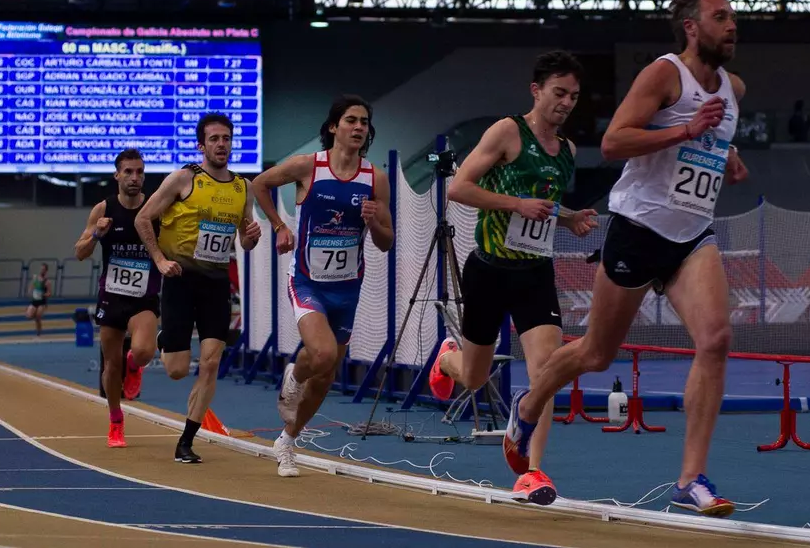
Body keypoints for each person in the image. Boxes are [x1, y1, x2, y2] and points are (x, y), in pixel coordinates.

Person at [503, 0, 750, 517]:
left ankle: (691, 479)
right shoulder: (665, 73)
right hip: (638, 229)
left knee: (716, 339)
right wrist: (685, 132)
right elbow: (614, 142)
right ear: (692, 27)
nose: (732, 25)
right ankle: (529, 401)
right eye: (720, 17)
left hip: (692, 233)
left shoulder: (734, 88)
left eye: (732, 15)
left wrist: (727, 156)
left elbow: (713, 137)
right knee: (596, 354)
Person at [426, 51, 598, 505]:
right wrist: (515, 205)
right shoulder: (507, 131)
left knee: (547, 370)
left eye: (574, 96)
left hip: (534, 272)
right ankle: (448, 360)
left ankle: (533, 472)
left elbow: (543, 204)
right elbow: (459, 188)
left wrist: (570, 218)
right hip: (489, 269)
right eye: (559, 92)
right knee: (474, 377)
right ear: (536, 90)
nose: (566, 103)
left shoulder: (568, 152)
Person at [252, 95, 394, 478]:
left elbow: (387, 242)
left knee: (327, 374)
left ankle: (287, 440)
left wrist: (374, 221)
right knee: (323, 352)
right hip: (307, 282)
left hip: (347, 289)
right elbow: (259, 184)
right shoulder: (308, 167)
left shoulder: (375, 179)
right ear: (334, 127)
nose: (359, 127)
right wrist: (280, 227)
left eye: (364, 122)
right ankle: (294, 376)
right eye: (351, 120)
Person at [135, 113, 262, 464]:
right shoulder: (183, 179)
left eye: (226, 138)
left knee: (211, 362)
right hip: (180, 280)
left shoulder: (243, 188)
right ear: (201, 145)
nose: (221, 144)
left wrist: (251, 237)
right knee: (177, 370)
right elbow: (143, 218)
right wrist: (159, 260)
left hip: (216, 284)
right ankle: (165, 338)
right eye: (214, 139)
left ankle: (186, 441)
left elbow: (245, 240)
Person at [74, 148, 161, 448]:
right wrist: (97, 235)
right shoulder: (103, 209)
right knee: (110, 367)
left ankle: (134, 365)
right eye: (128, 172)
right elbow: (80, 252)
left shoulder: (155, 207)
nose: (135, 177)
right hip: (112, 296)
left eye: (140, 172)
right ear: (117, 175)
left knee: (144, 351)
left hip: (143, 296)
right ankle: (115, 420)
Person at [25, 263, 51, 335]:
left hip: (42, 302)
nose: (42, 271)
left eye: (43, 269)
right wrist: (30, 291)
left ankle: (38, 333)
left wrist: (43, 294)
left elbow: (49, 293)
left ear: (46, 271)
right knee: (28, 316)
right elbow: (31, 286)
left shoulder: (47, 282)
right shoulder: (35, 278)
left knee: (38, 317)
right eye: (41, 269)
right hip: (34, 301)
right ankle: (31, 311)